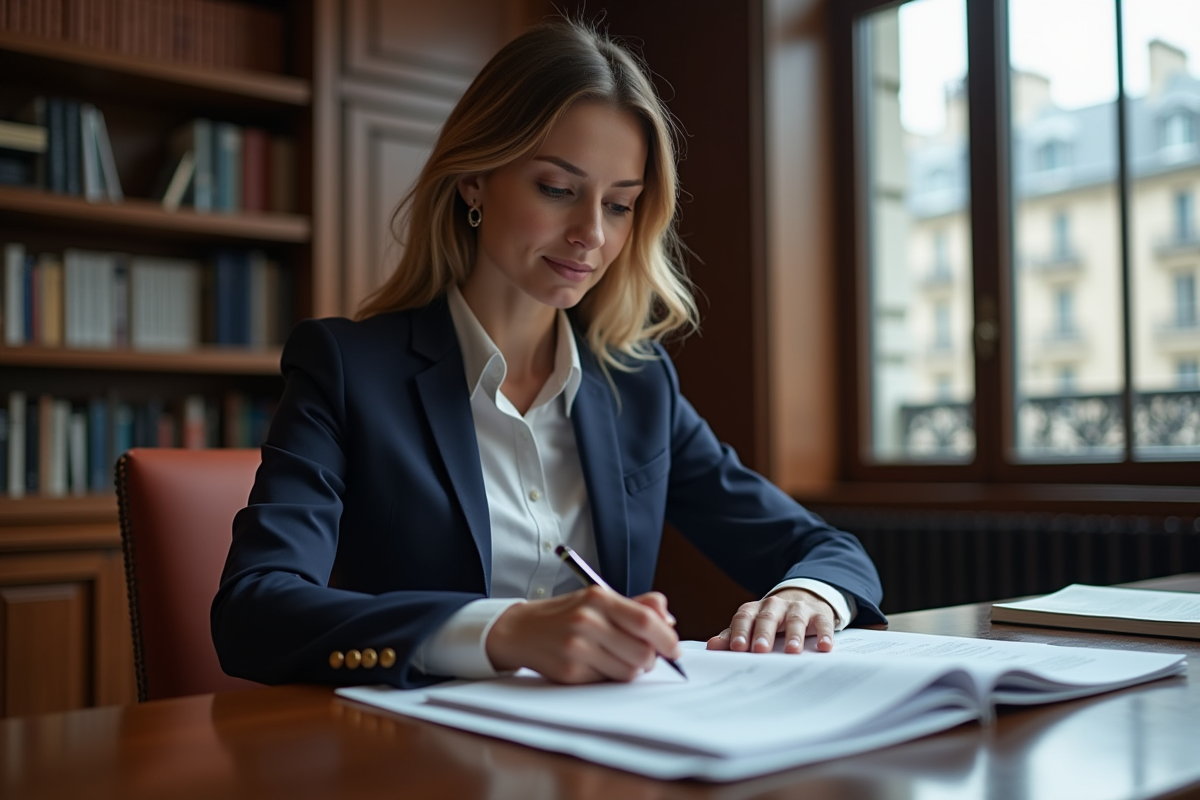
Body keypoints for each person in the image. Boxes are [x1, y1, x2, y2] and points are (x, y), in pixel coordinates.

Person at [211, 19, 884, 690]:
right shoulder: (346, 369)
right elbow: (255, 609)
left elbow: (826, 550)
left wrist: (810, 596)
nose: (591, 233)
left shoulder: (638, 386)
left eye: (619, 205)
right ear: (474, 179)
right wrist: (500, 631)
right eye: (558, 190)